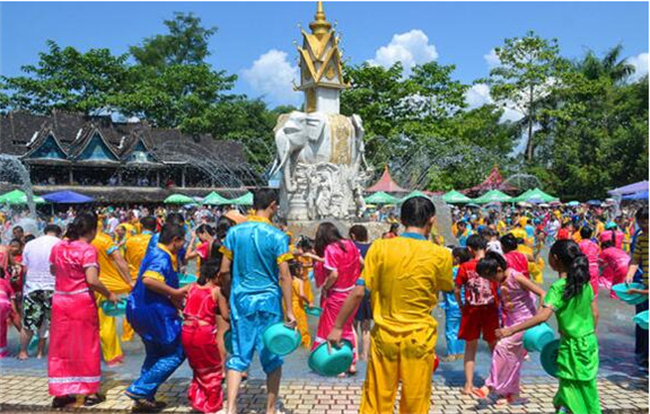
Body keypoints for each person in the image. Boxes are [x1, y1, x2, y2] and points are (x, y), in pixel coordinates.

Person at [327, 196, 453, 414]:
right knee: (415, 402)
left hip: (384, 337)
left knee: (377, 400)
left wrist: (338, 327)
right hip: (419, 339)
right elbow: (445, 288)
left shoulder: (380, 248)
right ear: (432, 220)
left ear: (402, 219)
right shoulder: (441, 255)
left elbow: (358, 292)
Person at [496, 240, 600, 414]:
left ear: (556, 258)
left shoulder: (558, 288)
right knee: (587, 387)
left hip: (571, 346)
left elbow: (542, 317)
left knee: (569, 389)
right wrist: (587, 334)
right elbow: (595, 314)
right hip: (589, 343)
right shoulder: (585, 284)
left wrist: (511, 330)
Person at [218, 188, 296, 414]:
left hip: (241, 301)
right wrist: (289, 310)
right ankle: (270, 409)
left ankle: (231, 407)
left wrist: (230, 291)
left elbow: (224, 270)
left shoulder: (234, 233)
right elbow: (284, 276)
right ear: (273, 205)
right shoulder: (278, 236)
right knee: (272, 355)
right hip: (270, 302)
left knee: (239, 356)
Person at [48, 212, 117, 408]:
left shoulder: (59, 246)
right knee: (87, 345)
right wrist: (109, 294)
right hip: (80, 302)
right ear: (93, 230)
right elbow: (92, 280)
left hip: (60, 300)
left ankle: (62, 392)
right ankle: (90, 392)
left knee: (61, 346)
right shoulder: (88, 250)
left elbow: (53, 270)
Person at [125, 222, 189, 413]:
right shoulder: (161, 256)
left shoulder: (156, 251)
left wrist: (178, 303)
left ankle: (145, 399)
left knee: (154, 352)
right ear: (175, 240)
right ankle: (140, 388)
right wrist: (176, 292)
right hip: (153, 311)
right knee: (178, 350)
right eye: (183, 241)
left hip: (140, 308)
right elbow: (149, 280)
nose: (184, 245)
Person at [473, 251, 545, 403]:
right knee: (514, 358)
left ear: (499, 269)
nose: (491, 280)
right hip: (511, 321)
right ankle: (513, 394)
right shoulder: (500, 278)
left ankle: (490, 386)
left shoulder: (516, 276)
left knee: (502, 347)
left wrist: (539, 317)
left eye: (492, 277)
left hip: (526, 321)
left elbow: (542, 293)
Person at [312, 222, 361, 375]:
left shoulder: (330, 249)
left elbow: (334, 274)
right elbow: (362, 263)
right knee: (347, 327)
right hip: (352, 293)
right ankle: (352, 363)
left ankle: (337, 362)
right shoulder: (349, 244)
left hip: (337, 295)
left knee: (332, 328)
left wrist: (326, 286)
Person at [182, 257, 229, 414]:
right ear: (216, 275)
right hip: (203, 333)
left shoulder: (191, 287)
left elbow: (174, 295)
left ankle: (198, 400)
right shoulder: (216, 291)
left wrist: (179, 309)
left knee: (198, 367)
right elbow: (225, 316)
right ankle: (212, 405)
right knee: (213, 368)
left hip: (187, 331)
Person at [455, 234, 499, 397]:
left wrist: (460, 305)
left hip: (471, 310)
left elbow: (457, 289)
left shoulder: (465, 266)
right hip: (490, 309)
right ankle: (497, 381)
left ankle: (468, 384)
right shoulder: (492, 264)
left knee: (470, 348)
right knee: (495, 347)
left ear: (469, 249)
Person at [18, 224, 62, 360]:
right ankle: (46, 353)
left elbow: (24, 269)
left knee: (28, 323)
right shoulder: (61, 244)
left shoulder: (30, 244)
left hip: (32, 287)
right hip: (53, 287)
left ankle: (23, 352)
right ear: (58, 233)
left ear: (45, 231)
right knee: (54, 324)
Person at [92, 223, 133, 366]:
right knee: (106, 323)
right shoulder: (105, 240)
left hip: (84, 285)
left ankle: (90, 356)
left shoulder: (75, 241)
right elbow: (120, 261)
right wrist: (129, 281)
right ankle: (112, 358)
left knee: (88, 322)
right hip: (105, 286)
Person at [625, 206, 649, 367]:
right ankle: (642, 355)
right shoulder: (640, 238)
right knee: (643, 321)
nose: (644, 227)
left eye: (646, 223)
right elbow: (635, 259)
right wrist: (629, 274)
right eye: (641, 224)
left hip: (645, 288)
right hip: (645, 283)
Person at [441, 247, 471, 361]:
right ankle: (461, 353)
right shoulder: (467, 269)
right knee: (461, 329)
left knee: (451, 329)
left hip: (453, 304)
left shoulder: (451, 271)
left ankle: (451, 354)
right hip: (465, 304)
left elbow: (447, 287)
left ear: (457, 259)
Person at [349, 224, 372, 362]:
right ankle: (365, 355)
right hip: (368, 288)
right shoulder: (372, 248)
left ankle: (355, 354)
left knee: (353, 324)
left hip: (353, 287)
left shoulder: (351, 247)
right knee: (366, 325)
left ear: (353, 235)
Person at [0, 267, 19, 358]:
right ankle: (2, 352)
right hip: (4, 304)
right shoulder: (6, 283)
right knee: (2, 328)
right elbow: (12, 300)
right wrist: (14, 312)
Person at [578, 227, 600, 301]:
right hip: (594, 268)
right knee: (593, 290)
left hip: (583, 267)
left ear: (580, 235)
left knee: (582, 288)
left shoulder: (579, 245)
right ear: (591, 235)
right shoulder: (595, 245)